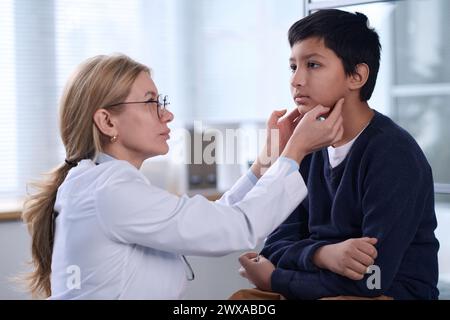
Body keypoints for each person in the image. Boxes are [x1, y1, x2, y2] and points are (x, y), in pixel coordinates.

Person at [21, 54, 344, 299]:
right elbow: (237, 228)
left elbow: (214, 219)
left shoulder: (102, 185)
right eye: (151, 102)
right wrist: (295, 153)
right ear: (107, 122)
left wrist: (265, 164)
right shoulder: (110, 191)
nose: (168, 113)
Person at [239, 9, 439, 300]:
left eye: (313, 65)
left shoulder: (393, 154)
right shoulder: (308, 145)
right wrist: (322, 254)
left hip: (387, 294)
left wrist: (275, 278)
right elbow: (274, 246)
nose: (296, 80)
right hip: (319, 283)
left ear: (356, 75)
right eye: (293, 66)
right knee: (241, 302)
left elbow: (371, 280)